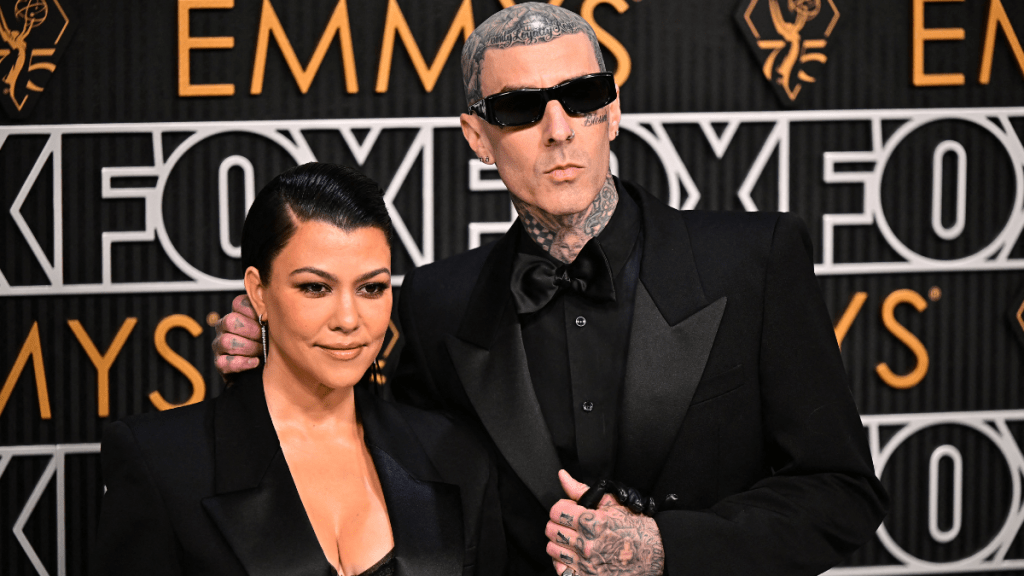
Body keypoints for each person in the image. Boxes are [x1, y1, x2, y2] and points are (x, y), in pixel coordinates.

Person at [215, 5, 887, 576]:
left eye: (584, 96)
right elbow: (390, 470)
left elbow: (842, 492)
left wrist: (665, 549)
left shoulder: (753, 259)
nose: (560, 129)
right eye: (519, 108)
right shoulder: (436, 301)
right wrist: (278, 358)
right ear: (478, 137)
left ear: (614, 111)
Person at [93, 163, 505, 576]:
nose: (348, 318)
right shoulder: (161, 462)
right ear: (258, 292)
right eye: (315, 287)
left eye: (371, 288)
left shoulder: (457, 458)